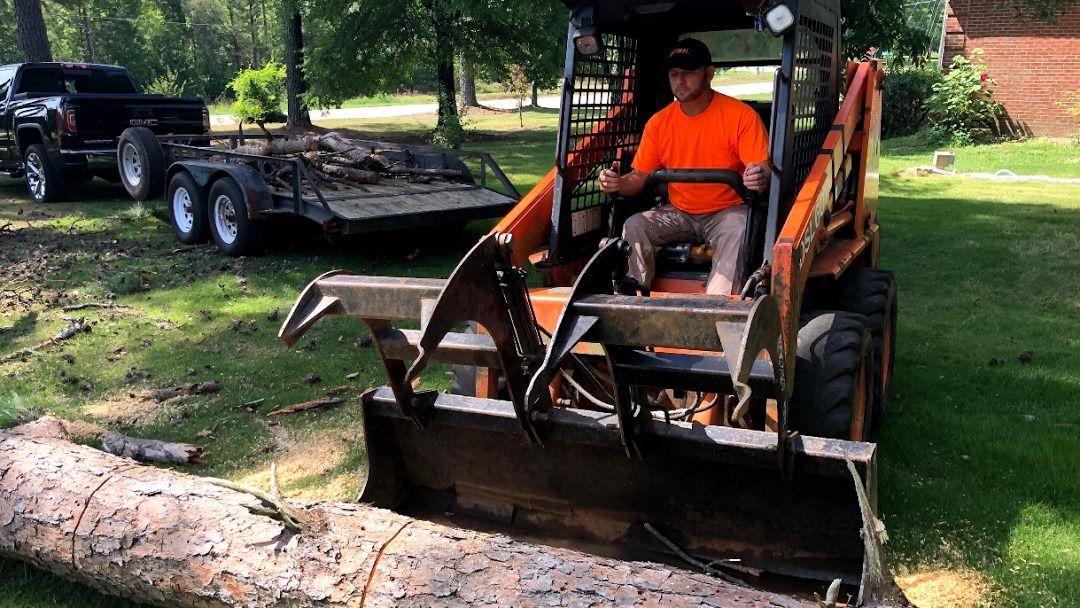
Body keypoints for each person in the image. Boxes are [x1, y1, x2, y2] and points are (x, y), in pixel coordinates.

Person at [597, 37, 771, 296]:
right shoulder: (659, 124)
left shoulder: (741, 117)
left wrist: (759, 176)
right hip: (679, 212)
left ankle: (717, 305)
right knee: (635, 225)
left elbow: (763, 168)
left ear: (709, 74)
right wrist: (618, 183)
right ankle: (634, 298)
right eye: (674, 74)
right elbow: (639, 177)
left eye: (689, 73)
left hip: (727, 212)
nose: (680, 81)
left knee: (740, 227)